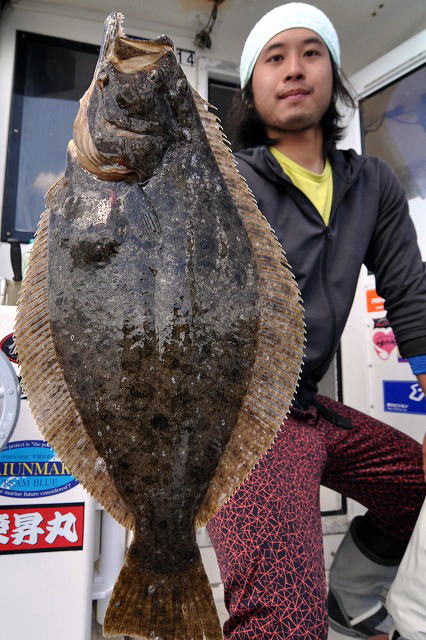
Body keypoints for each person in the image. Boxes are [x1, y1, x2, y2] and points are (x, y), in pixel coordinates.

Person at [206, 3, 426, 639]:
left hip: (308, 406)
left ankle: (349, 596)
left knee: (413, 484)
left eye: (311, 53)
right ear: (251, 88)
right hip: (243, 421)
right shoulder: (226, 183)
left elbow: (410, 296)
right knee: (282, 622)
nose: (294, 69)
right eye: (274, 58)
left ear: (333, 74)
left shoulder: (373, 184)